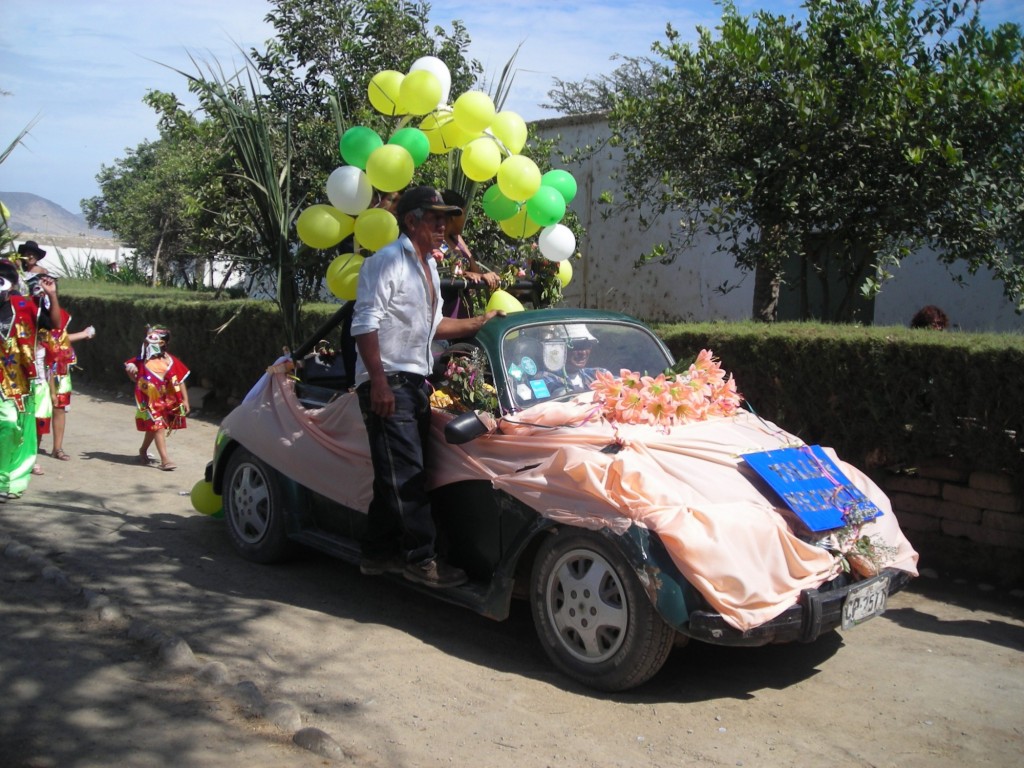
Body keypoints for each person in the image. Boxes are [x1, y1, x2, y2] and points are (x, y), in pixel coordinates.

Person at [351, 186, 504, 588]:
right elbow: (364, 325)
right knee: (407, 477)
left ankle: (375, 553)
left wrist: (479, 323)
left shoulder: (430, 267)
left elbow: (436, 327)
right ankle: (421, 559)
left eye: (446, 219)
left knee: (395, 474)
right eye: (434, 218)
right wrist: (379, 384)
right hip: (390, 383)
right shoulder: (386, 263)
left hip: (416, 380)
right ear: (411, 220)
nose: (443, 226)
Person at [0, 260, 60, 501]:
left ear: (12, 285)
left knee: (13, 427)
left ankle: (9, 479)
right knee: (6, 424)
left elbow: (55, 324)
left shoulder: (26, 307)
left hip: (18, 383)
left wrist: (52, 297)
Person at [124, 325, 191, 471]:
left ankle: (143, 450)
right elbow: (135, 378)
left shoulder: (171, 361)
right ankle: (165, 460)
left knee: (155, 427)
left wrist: (185, 400)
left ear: (163, 344)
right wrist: (131, 372)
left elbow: (180, 380)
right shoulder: (141, 361)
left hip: (167, 399)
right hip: (148, 399)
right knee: (158, 426)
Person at [434, 190, 500, 318]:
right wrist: (467, 275)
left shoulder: (457, 238)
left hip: (465, 311)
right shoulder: (435, 243)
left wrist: (484, 276)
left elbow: (477, 271)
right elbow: (441, 272)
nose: (465, 218)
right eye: (463, 213)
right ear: (453, 216)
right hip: (445, 312)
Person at [535, 324, 605, 397]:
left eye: (587, 345)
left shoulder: (597, 374)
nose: (583, 352)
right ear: (557, 349)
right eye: (576, 346)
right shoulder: (544, 379)